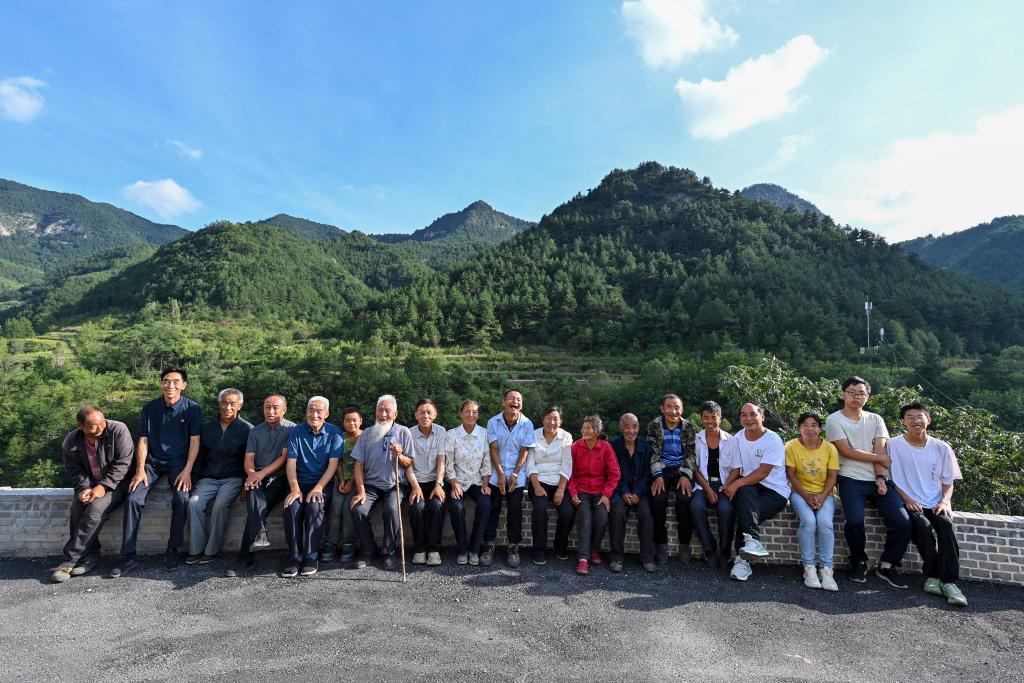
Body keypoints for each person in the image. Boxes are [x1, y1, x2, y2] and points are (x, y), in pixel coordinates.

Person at [112, 368, 202, 577]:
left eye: (176, 382)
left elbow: (195, 441)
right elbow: (143, 440)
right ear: (161, 383)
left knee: (182, 499)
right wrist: (139, 470)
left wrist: (188, 470)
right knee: (133, 499)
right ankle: (128, 554)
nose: (171, 385)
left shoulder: (192, 409)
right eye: (166, 381)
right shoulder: (150, 408)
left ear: (184, 385)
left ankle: (172, 549)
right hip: (152, 463)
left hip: (179, 463)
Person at [826, 376, 911, 587]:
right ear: (843, 394)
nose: (856, 396)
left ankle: (888, 564)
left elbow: (879, 448)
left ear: (868, 397)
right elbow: (847, 451)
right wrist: (881, 459)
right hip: (850, 478)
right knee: (854, 520)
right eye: (852, 392)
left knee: (902, 521)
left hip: (877, 478)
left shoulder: (875, 419)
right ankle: (858, 560)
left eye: (861, 393)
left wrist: (880, 476)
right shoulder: (834, 419)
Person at [888, 403, 967, 607]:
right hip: (909, 501)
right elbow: (889, 478)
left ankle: (948, 582)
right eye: (910, 417)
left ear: (928, 420)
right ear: (903, 421)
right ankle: (932, 575)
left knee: (946, 526)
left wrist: (944, 501)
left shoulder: (941, 447)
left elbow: (948, 481)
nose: (916, 421)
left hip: (935, 501)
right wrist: (907, 499)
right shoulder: (893, 445)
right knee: (922, 528)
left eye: (920, 416)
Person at [51, 407, 134, 583]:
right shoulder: (71, 442)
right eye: (93, 426)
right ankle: (91, 556)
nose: (100, 427)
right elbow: (75, 471)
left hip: (118, 484)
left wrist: (103, 486)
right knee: (77, 508)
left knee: (94, 510)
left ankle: (69, 560)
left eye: (102, 422)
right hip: (90, 485)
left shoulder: (118, 430)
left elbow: (123, 463)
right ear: (80, 426)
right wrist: (84, 489)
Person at [721, 403, 791, 582]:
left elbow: (763, 472)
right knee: (745, 498)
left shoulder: (773, 439)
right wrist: (727, 485)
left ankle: (742, 561)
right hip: (750, 487)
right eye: (744, 415)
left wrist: (736, 484)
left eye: (753, 414)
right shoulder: (738, 437)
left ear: (762, 417)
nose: (748, 418)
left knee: (747, 512)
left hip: (775, 490)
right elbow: (737, 468)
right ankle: (752, 543)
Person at [227, 394, 295, 577]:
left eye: (275, 407)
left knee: (257, 508)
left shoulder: (291, 429)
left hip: (280, 477)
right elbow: (249, 459)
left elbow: (284, 458)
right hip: (257, 476)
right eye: (267, 407)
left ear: (284, 410)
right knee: (254, 496)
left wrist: (261, 474)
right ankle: (259, 537)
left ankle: (245, 557)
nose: (270, 411)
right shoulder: (255, 431)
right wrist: (252, 475)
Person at [351, 394, 418, 571]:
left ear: (395, 414)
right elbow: (358, 464)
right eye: (380, 410)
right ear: (375, 412)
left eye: (387, 411)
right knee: (358, 510)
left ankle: (389, 551)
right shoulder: (367, 433)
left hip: (394, 485)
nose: (383, 414)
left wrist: (399, 455)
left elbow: (409, 462)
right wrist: (361, 490)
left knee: (392, 510)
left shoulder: (403, 432)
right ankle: (368, 550)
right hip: (370, 485)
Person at [187, 389, 253, 564]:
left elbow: (250, 460)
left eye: (232, 403)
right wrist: (193, 479)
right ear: (219, 404)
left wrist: (245, 484)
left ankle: (211, 550)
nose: (228, 407)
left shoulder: (247, 429)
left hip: (233, 478)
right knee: (193, 503)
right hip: (208, 478)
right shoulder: (207, 428)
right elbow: (200, 457)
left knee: (221, 505)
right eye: (224, 403)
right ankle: (195, 549)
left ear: (240, 405)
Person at [281, 396, 342, 577]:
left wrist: (319, 487)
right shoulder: (297, 431)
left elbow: (333, 465)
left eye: (319, 411)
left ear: (326, 413)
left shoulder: (334, 432)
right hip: (298, 482)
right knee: (291, 507)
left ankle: (311, 556)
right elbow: (291, 463)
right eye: (311, 410)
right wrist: (294, 488)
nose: (314, 415)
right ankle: (295, 556)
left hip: (322, 483)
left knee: (315, 506)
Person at [785, 412, 840, 591]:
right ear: (799, 428)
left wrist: (822, 496)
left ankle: (826, 569)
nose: (810, 429)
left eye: (814, 425)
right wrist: (807, 496)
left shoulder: (830, 448)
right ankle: (809, 568)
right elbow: (791, 475)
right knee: (808, 522)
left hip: (825, 494)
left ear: (820, 428)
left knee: (825, 523)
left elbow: (832, 476)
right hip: (799, 493)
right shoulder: (791, 446)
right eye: (805, 425)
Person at [483, 389, 536, 567]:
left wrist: (514, 474)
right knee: (493, 508)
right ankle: (489, 544)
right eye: (512, 399)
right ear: (503, 402)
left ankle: (513, 546)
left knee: (515, 509)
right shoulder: (493, 422)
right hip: (496, 472)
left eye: (518, 399)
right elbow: (493, 449)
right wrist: (500, 474)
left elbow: (524, 451)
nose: (515, 402)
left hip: (516, 474)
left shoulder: (527, 424)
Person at [647, 393, 697, 564]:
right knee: (657, 499)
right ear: (662, 409)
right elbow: (652, 452)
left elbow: (691, 453)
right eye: (669, 407)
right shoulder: (654, 426)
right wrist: (657, 475)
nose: (673, 411)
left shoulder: (689, 427)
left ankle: (685, 543)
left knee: (684, 500)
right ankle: (660, 542)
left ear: (682, 410)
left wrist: (685, 475)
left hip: (681, 468)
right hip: (661, 468)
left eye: (677, 407)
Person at [569, 415, 621, 575]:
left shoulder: (605, 447)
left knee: (602, 517)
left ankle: (594, 549)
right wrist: (573, 492)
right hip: (582, 491)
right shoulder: (576, 447)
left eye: (588, 428)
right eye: (583, 427)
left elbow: (615, 474)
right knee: (584, 518)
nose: (584, 430)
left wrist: (606, 495)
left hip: (600, 492)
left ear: (597, 431)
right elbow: (569, 473)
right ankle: (583, 559)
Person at [444, 399, 492, 565]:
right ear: (461, 414)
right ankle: (463, 549)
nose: (471, 415)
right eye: (467, 411)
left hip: (477, 481)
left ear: (478, 415)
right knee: (456, 507)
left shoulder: (484, 434)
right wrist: (453, 484)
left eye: (474, 412)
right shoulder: (451, 435)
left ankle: (475, 549)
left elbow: (487, 460)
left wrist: (485, 483)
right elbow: (448, 463)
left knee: (485, 505)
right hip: (457, 481)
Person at [525, 406, 574, 565]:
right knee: (540, 510)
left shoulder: (566, 437)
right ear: (543, 420)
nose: (552, 422)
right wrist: (536, 486)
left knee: (567, 512)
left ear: (561, 421)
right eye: (548, 418)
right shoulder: (533, 435)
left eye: (555, 419)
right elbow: (529, 463)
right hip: (539, 481)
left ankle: (560, 546)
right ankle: (539, 549)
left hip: (560, 482)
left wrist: (561, 489)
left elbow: (567, 465)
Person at [689, 401, 734, 569]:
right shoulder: (696, 439)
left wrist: (726, 485)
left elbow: (737, 468)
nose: (710, 421)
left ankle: (725, 551)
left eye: (713, 417)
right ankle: (709, 548)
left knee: (726, 509)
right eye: (706, 418)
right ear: (701, 419)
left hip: (724, 484)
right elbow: (694, 468)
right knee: (695, 506)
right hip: (703, 485)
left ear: (720, 418)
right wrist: (707, 489)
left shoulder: (731, 440)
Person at [608, 413, 655, 573]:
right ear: (620, 427)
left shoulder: (646, 447)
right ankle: (616, 557)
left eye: (634, 427)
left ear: (638, 427)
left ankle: (647, 558)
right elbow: (612, 472)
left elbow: (648, 475)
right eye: (626, 427)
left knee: (646, 514)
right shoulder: (613, 446)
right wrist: (623, 491)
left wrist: (638, 492)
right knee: (617, 512)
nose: (630, 430)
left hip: (640, 492)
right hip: (619, 490)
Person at [319, 406, 362, 564]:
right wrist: (342, 479)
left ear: (360, 421)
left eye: (354, 420)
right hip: (340, 478)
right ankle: (330, 542)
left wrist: (351, 482)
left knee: (348, 507)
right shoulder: (340, 438)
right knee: (335, 506)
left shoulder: (364, 438)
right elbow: (336, 462)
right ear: (343, 423)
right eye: (348, 420)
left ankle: (348, 543)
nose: (351, 423)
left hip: (359, 480)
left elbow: (361, 464)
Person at [407, 399, 446, 566]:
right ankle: (420, 549)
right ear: (416, 415)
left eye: (429, 412)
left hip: (435, 480)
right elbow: (407, 464)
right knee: (417, 508)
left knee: (437, 506)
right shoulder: (408, 433)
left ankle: (434, 549)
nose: (425, 415)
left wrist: (438, 484)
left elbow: (441, 460)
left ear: (435, 415)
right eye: (422, 412)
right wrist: (415, 487)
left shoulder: (441, 431)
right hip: (415, 481)